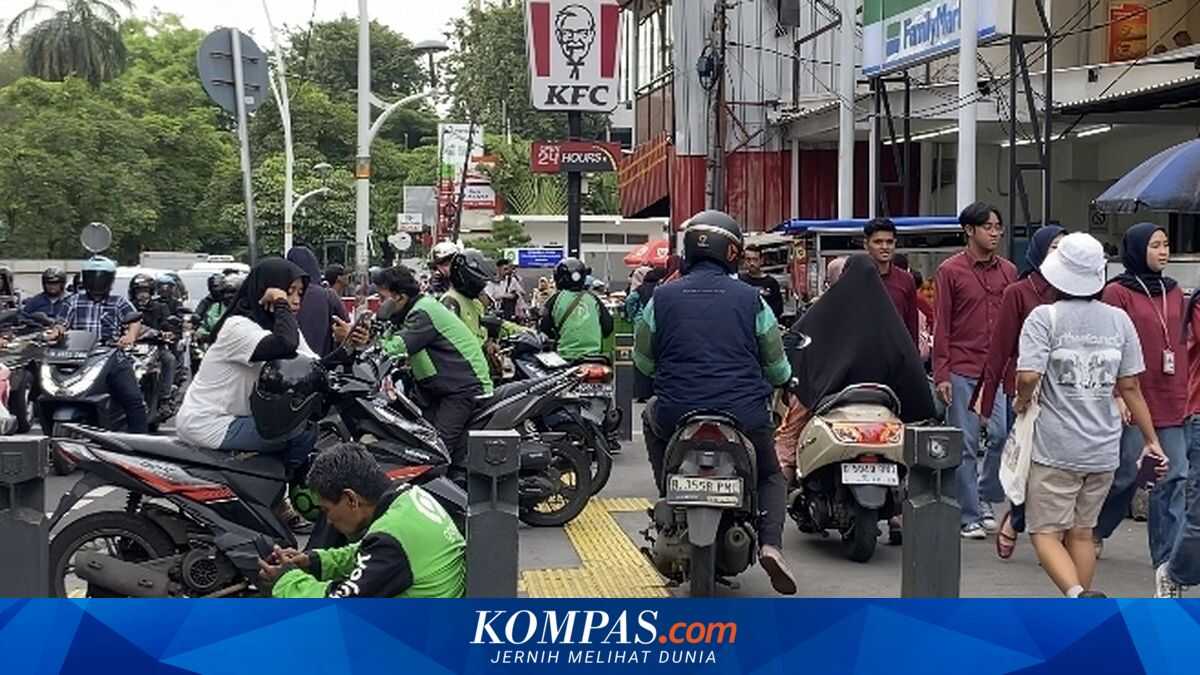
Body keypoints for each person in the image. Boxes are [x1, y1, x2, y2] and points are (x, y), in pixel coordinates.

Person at [634, 210, 797, 595]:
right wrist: (783, 380)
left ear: (689, 250)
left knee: (651, 420)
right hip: (744, 413)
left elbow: (643, 359)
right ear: (733, 252)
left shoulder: (661, 298)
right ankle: (771, 545)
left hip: (677, 411)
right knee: (770, 474)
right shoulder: (752, 300)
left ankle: (669, 490)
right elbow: (776, 364)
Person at [1015, 232, 1167, 598]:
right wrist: (1151, 440)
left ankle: (1077, 595)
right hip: (1102, 448)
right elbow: (1131, 387)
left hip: (1055, 447)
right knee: (1083, 532)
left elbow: (1029, 376)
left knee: (1045, 532)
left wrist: (1022, 400)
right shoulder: (1118, 320)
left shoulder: (1044, 318)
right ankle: (1082, 607)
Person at [175, 258, 340, 532]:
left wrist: (351, 344)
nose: (295, 300)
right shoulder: (238, 327)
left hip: (236, 420)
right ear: (267, 289)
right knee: (299, 432)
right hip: (210, 422)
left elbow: (315, 364)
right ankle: (274, 501)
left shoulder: (281, 326)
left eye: (299, 293)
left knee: (297, 428)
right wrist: (281, 305)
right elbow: (285, 346)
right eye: (289, 291)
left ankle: (266, 496)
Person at [779, 255, 937, 480]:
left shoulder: (825, 310)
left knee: (789, 439)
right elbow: (907, 358)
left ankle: (782, 486)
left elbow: (799, 344)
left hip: (829, 394)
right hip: (880, 399)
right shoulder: (887, 317)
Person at [1095, 223, 1190, 584]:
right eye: (1155, 245)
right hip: (1135, 394)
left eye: (1166, 244)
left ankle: (1167, 560)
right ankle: (1095, 528)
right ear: (1136, 249)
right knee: (1130, 475)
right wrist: (1116, 394)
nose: (1163, 251)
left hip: (1173, 394)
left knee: (1173, 476)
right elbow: (1108, 345)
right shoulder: (1116, 292)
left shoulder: (1174, 290)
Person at [971, 224, 1066, 559]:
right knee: (1028, 462)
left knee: (1059, 465)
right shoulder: (1019, 292)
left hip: (1067, 390)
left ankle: (1043, 527)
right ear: (1039, 251)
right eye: (1054, 246)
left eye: (1065, 247)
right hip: (1024, 389)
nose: (1060, 253)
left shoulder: (1076, 291)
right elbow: (1000, 349)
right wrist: (987, 397)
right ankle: (1018, 517)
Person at [259, 443, 465, 598]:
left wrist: (287, 579)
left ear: (351, 499)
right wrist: (312, 561)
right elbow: (366, 553)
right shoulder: (409, 498)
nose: (328, 521)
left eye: (327, 510)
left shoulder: (390, 540)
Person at [934, 202, 1018, 539]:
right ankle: (968, 514)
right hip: (962, 366)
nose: (995, 233)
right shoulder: (950, 271)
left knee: (1000, 436)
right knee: (966, 443)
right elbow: (942, 325)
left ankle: (984, 496)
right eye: (988, 227)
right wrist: (942, 374)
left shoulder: (1009, 271)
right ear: (969, 230)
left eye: (998, 227)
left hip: (997, 370)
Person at [376, 266, 492, 464]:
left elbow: (395, 347)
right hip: (442, 389)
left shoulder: (422, 312)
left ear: (400, 297)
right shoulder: (411, 311)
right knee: (418, 435)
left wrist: (369, 337)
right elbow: (387, 339)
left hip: (463, 388)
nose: (379, 303)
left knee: (436, 451)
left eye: (381, 298)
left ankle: (451, 482)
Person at [51, 257, 147, 433]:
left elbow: (135, 321)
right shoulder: (73, 301)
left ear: (109, 280)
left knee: (133, 399)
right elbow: (61, 323)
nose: (97, 282)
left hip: (111, 356)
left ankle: (139, 441)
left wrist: (130, 336)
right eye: (93, 277)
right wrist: (56, 332)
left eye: (101, 278)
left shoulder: (118, 302)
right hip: (78, 357)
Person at [540, 258, 614, 362]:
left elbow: (544, 329)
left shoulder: (555, 300)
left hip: (565, 357)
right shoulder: (593, 299)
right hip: (595, 357)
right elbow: (608, 328)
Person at [287, 245, 351, 357]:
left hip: (289, 362)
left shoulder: (282, 295)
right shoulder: (328, 295)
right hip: (322, 361)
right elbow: (345, 325)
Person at [864, 218, 919, 345]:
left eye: (889, 242)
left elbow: (912, 324)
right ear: (866, 245)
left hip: (897, 351)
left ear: (895, 243)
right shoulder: (855, 279)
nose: (884, 247)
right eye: (878, 242)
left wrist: (913, 354)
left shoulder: (906, 280)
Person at [128, 273, 178, 404]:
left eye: (145, 291)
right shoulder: (128, 307)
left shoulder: (160, 307)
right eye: (139, 291)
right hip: (131, 347)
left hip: (155, 346)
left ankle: (165, 397)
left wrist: (168, 332)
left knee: (169, 359)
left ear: (151, 292)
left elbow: (167, 324)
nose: (142, 294)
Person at [740, 247, 784, 319]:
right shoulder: (740, 281)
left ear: (761, 261)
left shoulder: (771, 282)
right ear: (744, 261)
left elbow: (778, 308)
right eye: (748, 259)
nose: (752, 263)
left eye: (755, 259)